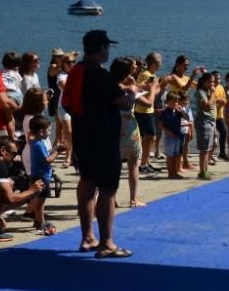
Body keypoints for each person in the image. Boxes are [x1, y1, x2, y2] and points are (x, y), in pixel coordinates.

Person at [68, 30, 136, 259]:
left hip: (82, 136)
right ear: (101, 49)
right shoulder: (99, 74)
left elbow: (66, 104)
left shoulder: (76, 71)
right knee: (108, 188)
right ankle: (107, 242)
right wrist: (133, 92)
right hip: (103, 139)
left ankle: (87, 237)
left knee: (87, 184)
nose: (109, 51)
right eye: (107, 47)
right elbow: (125, 104)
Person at [110, 57, 144, 208]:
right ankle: (133, 198)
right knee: (133, 164)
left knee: (115, 165)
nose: (137, 67)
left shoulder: (109, 82)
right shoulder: (129, 82)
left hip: (113, 125)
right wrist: (135, 88)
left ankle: (112, 197)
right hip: (128, 126)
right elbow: (130, 103)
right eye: (135, 66)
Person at [27, 116, 61, 234]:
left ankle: (38, 221)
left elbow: (46, 153)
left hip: (38, 175)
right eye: (49, 130)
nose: (50, 132)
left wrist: (56, 148)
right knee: (41, 202)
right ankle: (41, 223)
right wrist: (58, 152)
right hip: (42, 176)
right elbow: (47, 159)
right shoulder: (38, 144)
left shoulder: (36, 142)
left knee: (38, 200)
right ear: (41, 131)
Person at [134, 52, 162, 174]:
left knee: (150, 137)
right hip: (143, 111)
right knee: (149, 137)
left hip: (147, 111)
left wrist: (160, 86)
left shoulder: (150, 74)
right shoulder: (146, 75)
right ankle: (143, 164)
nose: (161, 63)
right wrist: (161, 86)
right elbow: (149, 94)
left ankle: (145, 162)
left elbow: (152, 92)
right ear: (155, 63)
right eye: (160, 61)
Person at [194, 72, 217, 180]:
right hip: (204, 122)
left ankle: (206, 170)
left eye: (213, 81)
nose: (212, 84)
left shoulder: (207, 91)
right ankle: (202, 172)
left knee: (208, 148)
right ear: (204, 82)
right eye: (210, 82)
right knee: (204, 149)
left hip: (211, 121)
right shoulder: (201, 92)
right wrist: (212, 94)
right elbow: (207, 106)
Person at [159, 91, 186, 179]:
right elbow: (160, 125)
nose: (175, 103)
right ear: (167, 102)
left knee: (175, 155)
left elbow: (187, 118)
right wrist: (167, 131)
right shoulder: (165, 112)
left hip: (177, 135)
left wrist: (182, 111)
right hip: (170, 136)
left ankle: (174, 172)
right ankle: (170, 173)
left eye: (176, 101)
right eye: (173, 102)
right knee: (170, 156)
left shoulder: (178, 112)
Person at [212, 70, 229, 162]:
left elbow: (225, 100)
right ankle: (209, 155)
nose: (218, 80)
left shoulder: (220, 87)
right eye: (216, 78)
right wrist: (217, 101)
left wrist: (222, 101)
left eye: (219, 78)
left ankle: (222, 153)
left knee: (224, 132)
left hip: (219, 116)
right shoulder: (210, 88)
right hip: (211, 116)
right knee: (212, 136)